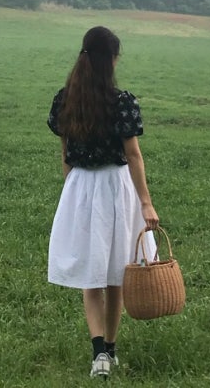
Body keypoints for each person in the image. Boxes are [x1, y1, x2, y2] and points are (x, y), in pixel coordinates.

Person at [47, 26, 159, 379]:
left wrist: (72, 190)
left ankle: (100, 354)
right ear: (111, 60)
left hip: (80, 187)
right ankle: (108, 349)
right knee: (115, 274)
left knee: (91, 274)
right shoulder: (121, 101)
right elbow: (133, 155)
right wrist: (146, 203)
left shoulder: (66, 99)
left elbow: (64, 152)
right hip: (115, 187)